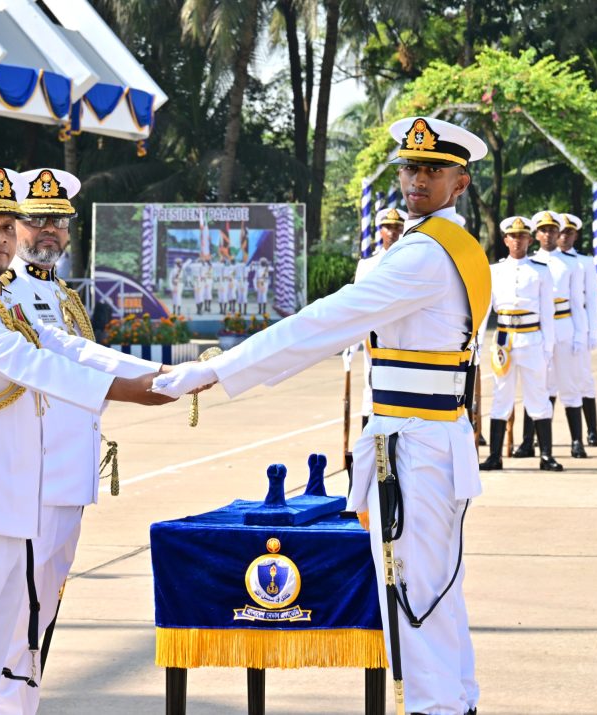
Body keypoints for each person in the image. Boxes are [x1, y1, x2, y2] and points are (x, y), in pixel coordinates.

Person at [155, 117, 490, 715]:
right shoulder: (452, 246)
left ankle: (437, 708)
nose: (417, 180)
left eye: (433, 171)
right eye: (410, 168)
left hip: (416, 445)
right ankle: (455, 703)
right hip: (429, 438)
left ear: (459, 183)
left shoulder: (425, 254)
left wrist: (217, 370)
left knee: (412, 598)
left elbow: (322, 322)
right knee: (435, 592)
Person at [0, 167, 175, 715]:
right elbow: (29, 362)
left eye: (7, 225)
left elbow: (64, 346)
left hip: (11, 499)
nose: (1, 237)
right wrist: (126, 390)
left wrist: (164, 375)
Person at [0, 168, 165, 715]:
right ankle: (5, 707)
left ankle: (23, 703)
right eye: (37, 219)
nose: (49, 230)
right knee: (19, 609)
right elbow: (63, 358)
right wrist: (152, 381)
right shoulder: (6, 290)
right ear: (14, 225)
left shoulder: (59, 292)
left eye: (59, 221)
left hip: (68, 473)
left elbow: (85, 354)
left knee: (43, 607)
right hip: (35, 475)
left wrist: (160, 375)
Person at [479, 216, 559, 470]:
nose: (517, 240)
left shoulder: (540, 271)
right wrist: (476, 342)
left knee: (538, 396)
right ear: (505, 240)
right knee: (501, 396)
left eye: (522, 236)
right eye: (513, 236)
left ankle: (545, 456)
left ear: (529, 240)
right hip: (503, 340)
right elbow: (484, 310)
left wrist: (548, 347)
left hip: (532, 338)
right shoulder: (494, 271)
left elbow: (548, 313)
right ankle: (495, 456)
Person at [513, 211, 588, 459]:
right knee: (535, 386)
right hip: (537, 330)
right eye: (543, 230)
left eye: (553, 230)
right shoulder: (530, 263)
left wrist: (581, 334)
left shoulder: (571, 264)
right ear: (536, 235)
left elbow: (577, 303)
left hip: (564, 326)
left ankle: (577, 441)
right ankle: (527, 442)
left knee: (569, 385)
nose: (548, 235)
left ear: (558, 234)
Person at [352, 207, 407, 426]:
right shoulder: (367, 265)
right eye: (388, 227)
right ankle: (370, 441)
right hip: (374, 334)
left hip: (402, 334)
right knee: (371, 387)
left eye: (396, 228)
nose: (392, 232)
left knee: (402, 389)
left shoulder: (410, 263)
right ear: (380, 231)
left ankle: (393, 439)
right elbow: (357, 303)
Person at [558, 213, 597, 445]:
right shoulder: (545, 260)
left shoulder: (584, 262)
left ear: (575, 235)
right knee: (549, 382)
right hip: (555, 326)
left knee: (583, 379)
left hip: (579, 326)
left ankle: (592, 431)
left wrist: (592, 332)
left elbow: (591, 301)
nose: (564, 236)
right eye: (561, 232)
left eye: (569, 232)